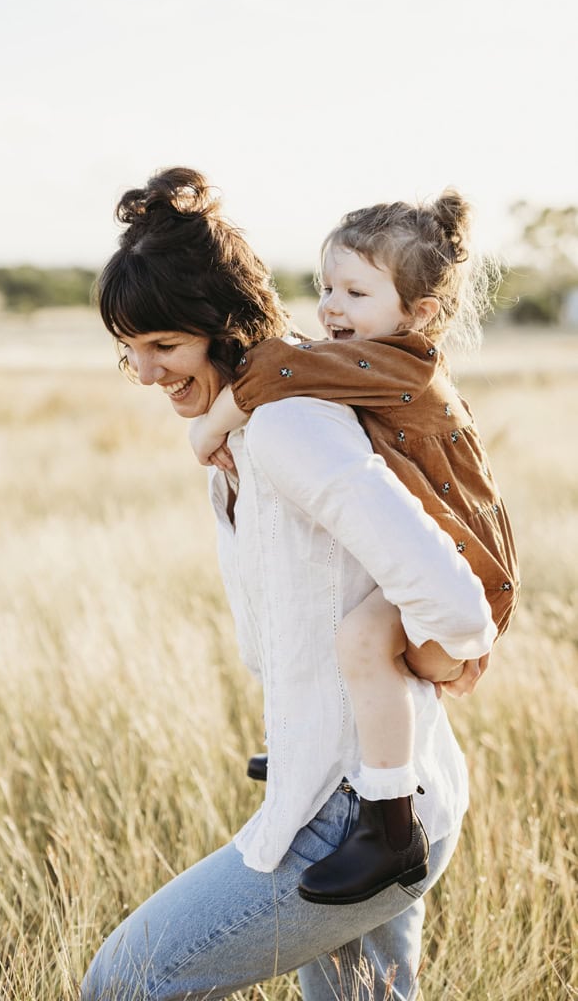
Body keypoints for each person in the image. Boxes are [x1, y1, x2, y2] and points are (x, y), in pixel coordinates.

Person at [80, 168, 498, 1001]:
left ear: (219, 327)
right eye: (131, 354)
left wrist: (446, 652)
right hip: (377, 791)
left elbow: (454, 604)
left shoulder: (289, 429)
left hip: (359, 817)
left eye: (164, 346)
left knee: (123, 982)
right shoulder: (247, 428)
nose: (149, 372)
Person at [188, 191, 519, 906]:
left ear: (418, 313)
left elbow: (277, 367)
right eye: (326, 287)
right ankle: (311, 745)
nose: (331, 306)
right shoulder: (377, 359)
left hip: (470, 574)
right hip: (456, 560)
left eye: (356, 292)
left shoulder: (400, 366)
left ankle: (388, 821)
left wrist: (206, 429)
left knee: (361, 638)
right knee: (348, 614)